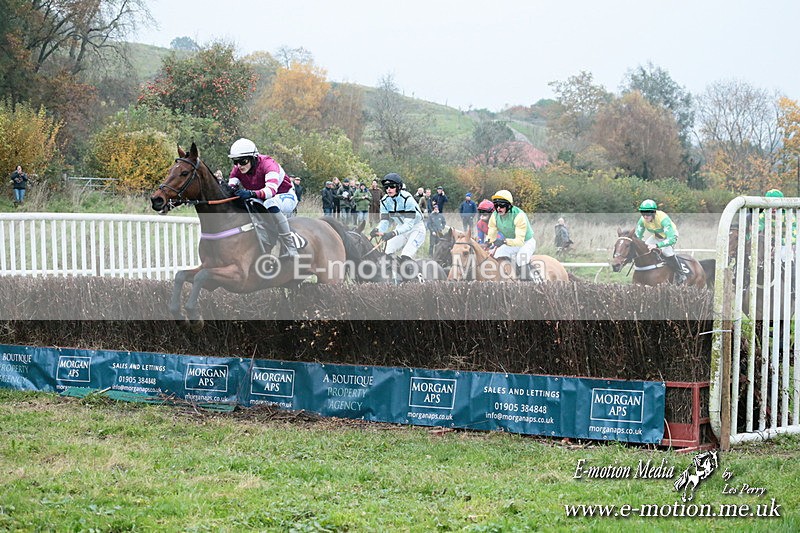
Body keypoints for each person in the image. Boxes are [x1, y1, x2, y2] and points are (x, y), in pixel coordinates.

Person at [227, 138, 298, 258]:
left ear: (253, 158)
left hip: (284, 195)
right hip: (263, 198)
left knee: (270, 203)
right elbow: (230, 188)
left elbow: (271, 191)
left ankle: (290, 246)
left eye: (243, 161)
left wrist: (251, 193)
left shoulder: (268, 164)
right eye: (235, 162)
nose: (239, 166)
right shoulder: (237, 169)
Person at [370, 173, 426, 265]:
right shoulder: (384, 201)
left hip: (416, 228)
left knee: (405, 256)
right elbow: (384, 221)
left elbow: (409, 225)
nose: (389, 189)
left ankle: (418, 277)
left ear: (399, 187)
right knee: (386, 253)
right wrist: (377, 229)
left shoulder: (408, 199)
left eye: (392, 186)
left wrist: (393, 232)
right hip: (401, 229)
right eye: (386, 187)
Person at [487, 190, 537, 280]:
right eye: (496, 205)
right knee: (497, 255)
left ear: (509, 205)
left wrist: (503, 241)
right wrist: (488, 243)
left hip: (526, 242)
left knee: (521, 258)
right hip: (510, 242)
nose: (498, 208)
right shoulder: (494, 216)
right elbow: (491, 233)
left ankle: (529, 283)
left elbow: (519, 241)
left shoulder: (519, 215)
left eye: (501, 205)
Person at [635, 199, 686, 284]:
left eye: (647, 213)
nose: (645, 216)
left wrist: (657, 245)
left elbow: (671, 239)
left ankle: (680, 273)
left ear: (653, 213)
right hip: (657, 236)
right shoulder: (642, 220)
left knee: (667, 251)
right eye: (643, 213)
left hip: (670, 236)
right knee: (645, 248)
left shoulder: (663, 218)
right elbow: (638, 237)